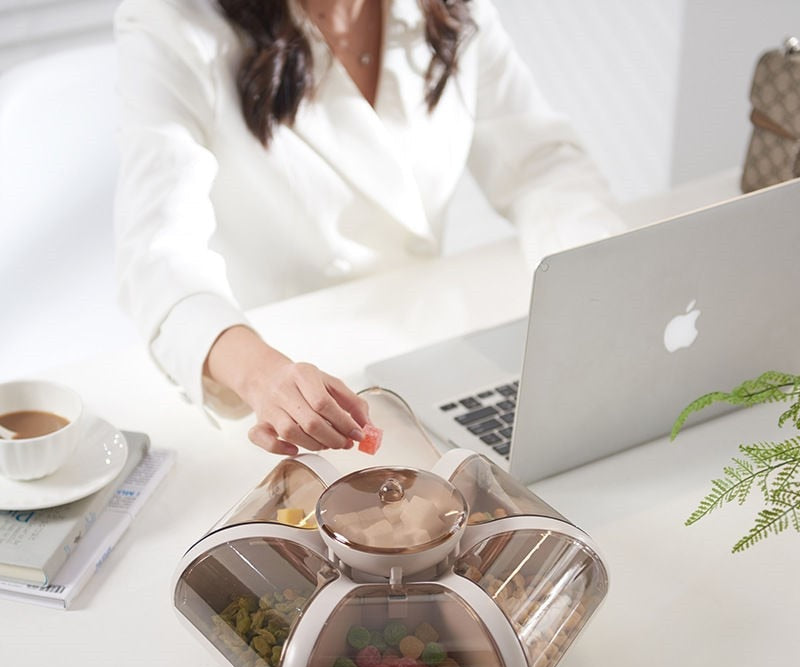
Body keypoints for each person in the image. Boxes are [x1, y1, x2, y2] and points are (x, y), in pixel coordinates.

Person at [114, 0, 623, 456]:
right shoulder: (171, 21)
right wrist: (263, 375)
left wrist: (601, 290)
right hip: (277, 388)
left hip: (425, 357)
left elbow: (541, 165)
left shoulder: (453, 7)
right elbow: (158, 258)